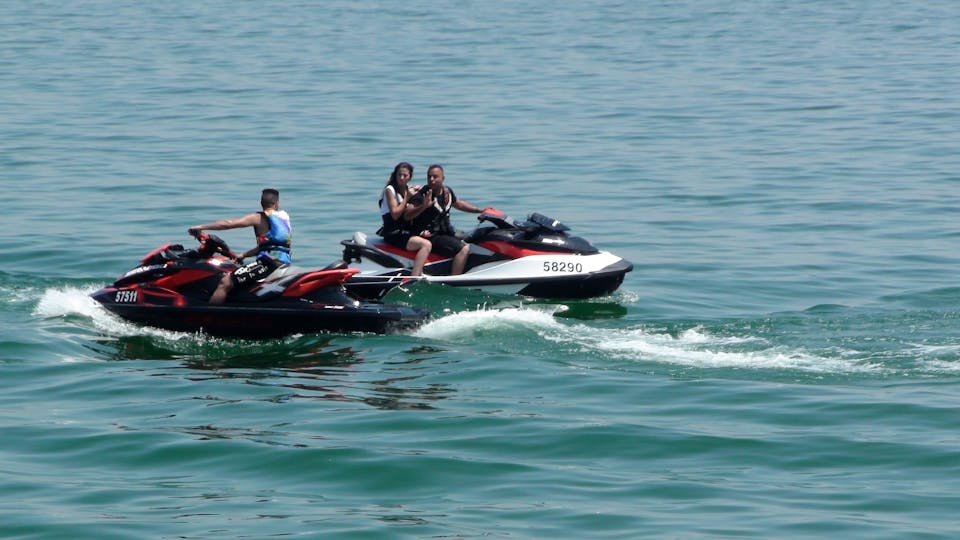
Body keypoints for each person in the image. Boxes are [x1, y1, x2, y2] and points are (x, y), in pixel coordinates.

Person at [188, 188, 292, 304]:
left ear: (261, 203)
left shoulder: (258, 217)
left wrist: (201, 227)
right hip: (282, 262)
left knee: (225, 282)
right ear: (277, 203)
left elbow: (229, 224)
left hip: (268, 264)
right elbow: (271, 246)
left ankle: (208, 317)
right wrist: (243, 255)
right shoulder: (283, 218)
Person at [405, 164, 484, 275]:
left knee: (474, 238)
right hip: (430, 236)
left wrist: (480, 211)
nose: (431, 180)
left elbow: (459, 204)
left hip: (446, 232)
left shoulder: (447, 192)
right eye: (429, 177)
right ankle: (455, 280)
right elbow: (407, 214)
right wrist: (423, 206)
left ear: (443, 178)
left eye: (435, 177)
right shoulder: (423, 194)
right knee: (463, 249)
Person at [378, 162, 432, 276]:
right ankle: (414, 277)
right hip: (393, 234)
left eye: (405, 176)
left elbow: (408, 213)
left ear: (410, 177)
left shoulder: (406, 189)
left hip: (404, 232)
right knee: (426, 245)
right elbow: (395, 214)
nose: (402, 178)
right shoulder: (390, 190)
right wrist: (408, 196)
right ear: (395, 175)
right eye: (399, 175)